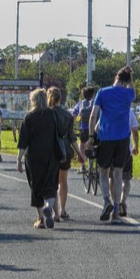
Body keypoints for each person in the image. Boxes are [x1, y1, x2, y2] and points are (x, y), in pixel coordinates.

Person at [88, 67, 136, 222]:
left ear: (116, 77)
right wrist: (131, 78)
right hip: (123, 139)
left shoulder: (102, 92)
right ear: (128, 81)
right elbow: (132, 89)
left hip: (106, 137)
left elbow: (94, 115)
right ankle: (116, 209)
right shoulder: (129, 94)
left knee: (103, 171)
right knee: (118, 173)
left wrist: (90, 136)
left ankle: (106, 200)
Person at [16, 88, 63, 229]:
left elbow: (23, 140)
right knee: (50, 184)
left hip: (34, 156)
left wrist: (18, 159)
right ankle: (49, 206)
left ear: (34, 101)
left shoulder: (29, 117)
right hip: (51, 154)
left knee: (35, 185)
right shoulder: (53, 114)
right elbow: (61, 131)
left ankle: (41, 219)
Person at [48, 87, 83, 221]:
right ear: (60, 98)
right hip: (64, 151)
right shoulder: (67, 115)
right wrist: (79, 153)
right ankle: (62, 210)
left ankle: (53, 211)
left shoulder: (46, 114)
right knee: (63, 181)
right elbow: (72, 137)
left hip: (50, 151)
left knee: (52, 182)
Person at [119, 104, 140, 217]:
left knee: (113, 177)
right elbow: (135, 132)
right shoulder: (129, 112)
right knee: (126, 179)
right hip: (126, 149)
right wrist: (136, 146)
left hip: (112, 148)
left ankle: (115, 203)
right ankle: (123, 201)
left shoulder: (112, 109)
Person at [71, 86, 96, 158]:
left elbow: (74, 116)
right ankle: (91, 165)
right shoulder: (95, 103)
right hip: (94, 129)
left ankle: (82, 164)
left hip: (84, 129)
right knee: (92, 145)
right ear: (93, 94)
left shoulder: (80, 104)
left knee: (82, 145)